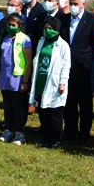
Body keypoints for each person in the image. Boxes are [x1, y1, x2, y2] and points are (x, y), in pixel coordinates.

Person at [61, 0, 94, 146]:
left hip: (85, 69)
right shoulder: (63, 19)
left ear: (83, 5)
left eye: (75, 4)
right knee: (69, 102)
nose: (72, 6)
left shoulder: (93, 20)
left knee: (85, 104)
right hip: (67, 68)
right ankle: (70, 131)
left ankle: (84, 134)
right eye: (71, 3)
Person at [29, 16, 71, 150]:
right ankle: (46, 139)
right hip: (41, 81)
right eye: (45, 28)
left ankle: (55, 140)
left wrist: (63, 82)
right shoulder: (41, 41)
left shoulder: (63, 45)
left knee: (55, 115)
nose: (47, 30)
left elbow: (66, 65)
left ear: (56, 29)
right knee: (43, 113)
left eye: (50, 28)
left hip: (55, 83)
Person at [0, 13, 32, 145]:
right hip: (5, 77)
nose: (10, 27)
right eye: (9, 25)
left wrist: (25, 80)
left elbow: (28, 62)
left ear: (19, 26)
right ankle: (8, 130)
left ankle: (19, 133)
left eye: (13, 25)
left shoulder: (25, 39)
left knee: (18, 106)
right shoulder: (5, 38)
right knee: (7, 105)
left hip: (18, 78)